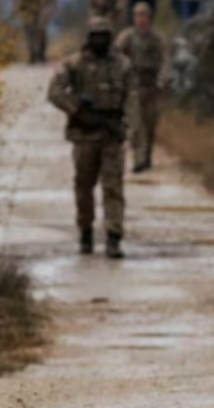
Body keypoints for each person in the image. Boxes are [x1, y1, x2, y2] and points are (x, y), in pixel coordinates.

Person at [48, 17, 137, 258]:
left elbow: (132, 98)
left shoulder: (122, 65)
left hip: (111, 135)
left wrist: (128, 127)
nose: (100, 40)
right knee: (83, 187)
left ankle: (114, 236)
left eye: (104, 35)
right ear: (89, 38)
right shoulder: (75, 64)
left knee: (113, 187)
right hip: (84, 136)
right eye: (96, 36)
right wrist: (77, 110)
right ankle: (86, 232)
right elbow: (54, 91)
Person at [116, 2, 166, 172]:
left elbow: (164, 60)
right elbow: (116, 56)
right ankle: (140, 159)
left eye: (144, 16)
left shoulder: (156, 39)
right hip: (134, 87)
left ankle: (147, 156)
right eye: (138, 16)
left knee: (150, 124)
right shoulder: (127, 37)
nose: (141, 19)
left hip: (151, 86)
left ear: (149, 18)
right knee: (137, 125)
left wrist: (161, 80)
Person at [18, 0, 54, 64]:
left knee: (40, 34)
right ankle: (33, 56)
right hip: (28, 15)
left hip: (39, 14)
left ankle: (41, 55)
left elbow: (48, 4)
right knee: (30, 36)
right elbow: (20, 6)